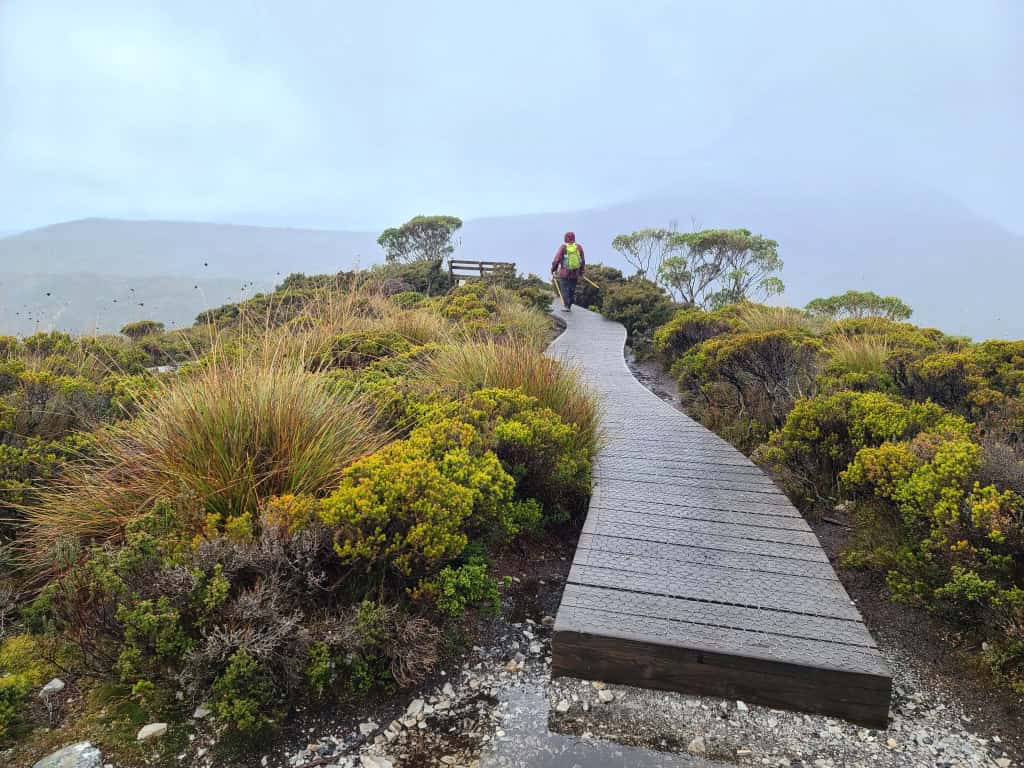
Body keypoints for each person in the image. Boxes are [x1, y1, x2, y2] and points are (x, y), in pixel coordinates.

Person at [550, 231, 585, 311]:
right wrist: (581, 271)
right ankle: (569, 305)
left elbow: (557, 259)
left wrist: (553, 269)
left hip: (564, 273)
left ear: (565, 238)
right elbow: (582, 260)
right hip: (575, 273)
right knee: (572, 289)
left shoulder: (563, 247)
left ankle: (566, 306)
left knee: (564, 289)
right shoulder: (579, 247)